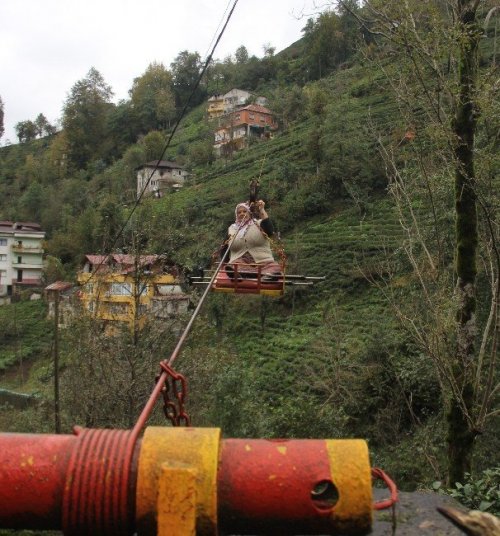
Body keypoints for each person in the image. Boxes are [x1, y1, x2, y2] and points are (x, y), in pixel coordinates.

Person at [222, 200, 282, 281]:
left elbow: (270, 231)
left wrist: (261, 210)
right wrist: (223, 264)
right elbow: (224, 249)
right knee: (234, 266)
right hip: (240, 261)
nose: (242, 214)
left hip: (262, 261)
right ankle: (237, 274)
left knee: (273, 267)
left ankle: (267, 275)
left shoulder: (259, 224)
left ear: (250, 213)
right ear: (236, 215)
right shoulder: (232, 229)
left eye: (244, 211)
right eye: (239, 212)